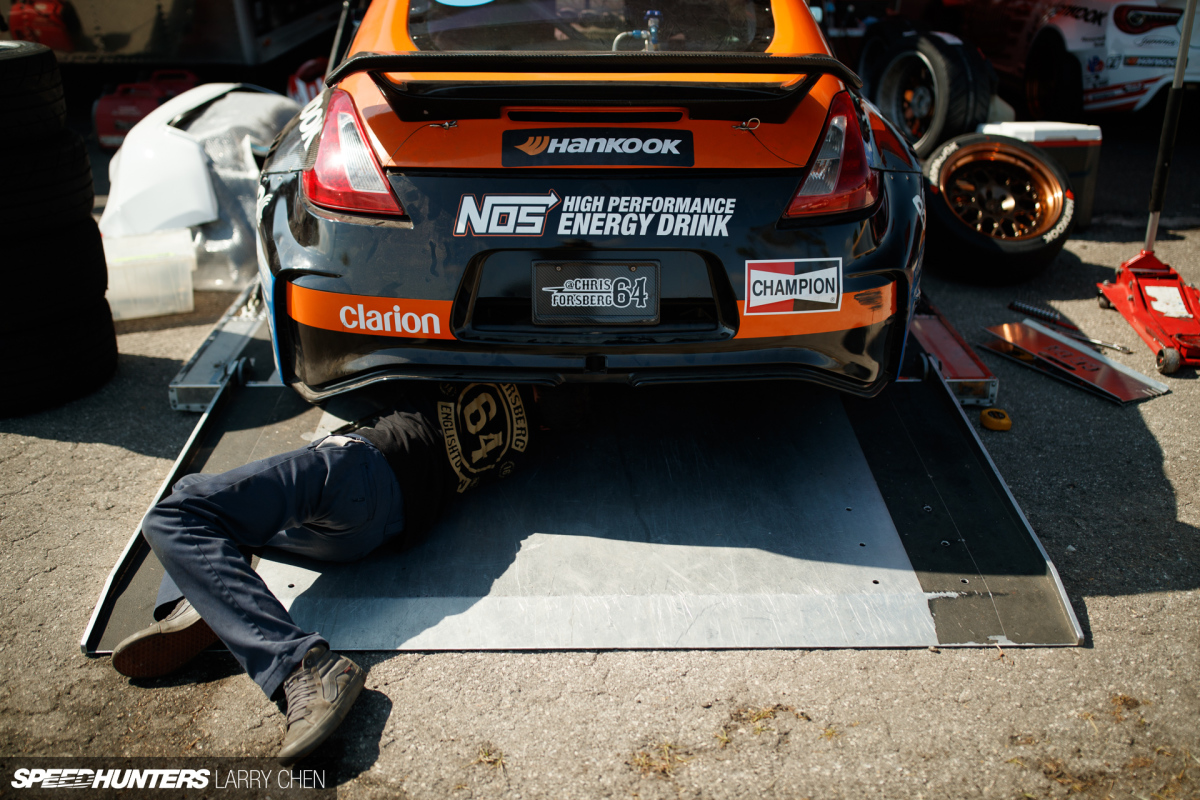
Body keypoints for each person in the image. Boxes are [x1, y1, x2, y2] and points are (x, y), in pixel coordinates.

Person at [111, 382, 533, 765]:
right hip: (378, 532)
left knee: (179, 511)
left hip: (359, 471)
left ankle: (299, 665)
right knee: (211, 502)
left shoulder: (462, 362)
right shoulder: (533, 435)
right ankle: (205, 599)